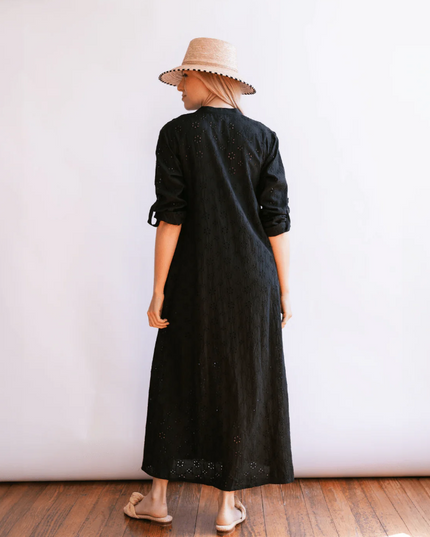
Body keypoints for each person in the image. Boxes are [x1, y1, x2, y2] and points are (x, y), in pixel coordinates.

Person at [124, 37, 294, 534]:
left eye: (185, 79)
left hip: (193, 279)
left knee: (175, 377)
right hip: (253, 280)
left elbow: (171, 217)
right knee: (240, 381)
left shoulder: (176, 135)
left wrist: (158, 289)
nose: (179, 88)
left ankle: (157, 500)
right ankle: (226, 507)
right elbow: (277, 220)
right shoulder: (263, 137)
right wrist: (285, 290)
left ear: (206, 78)